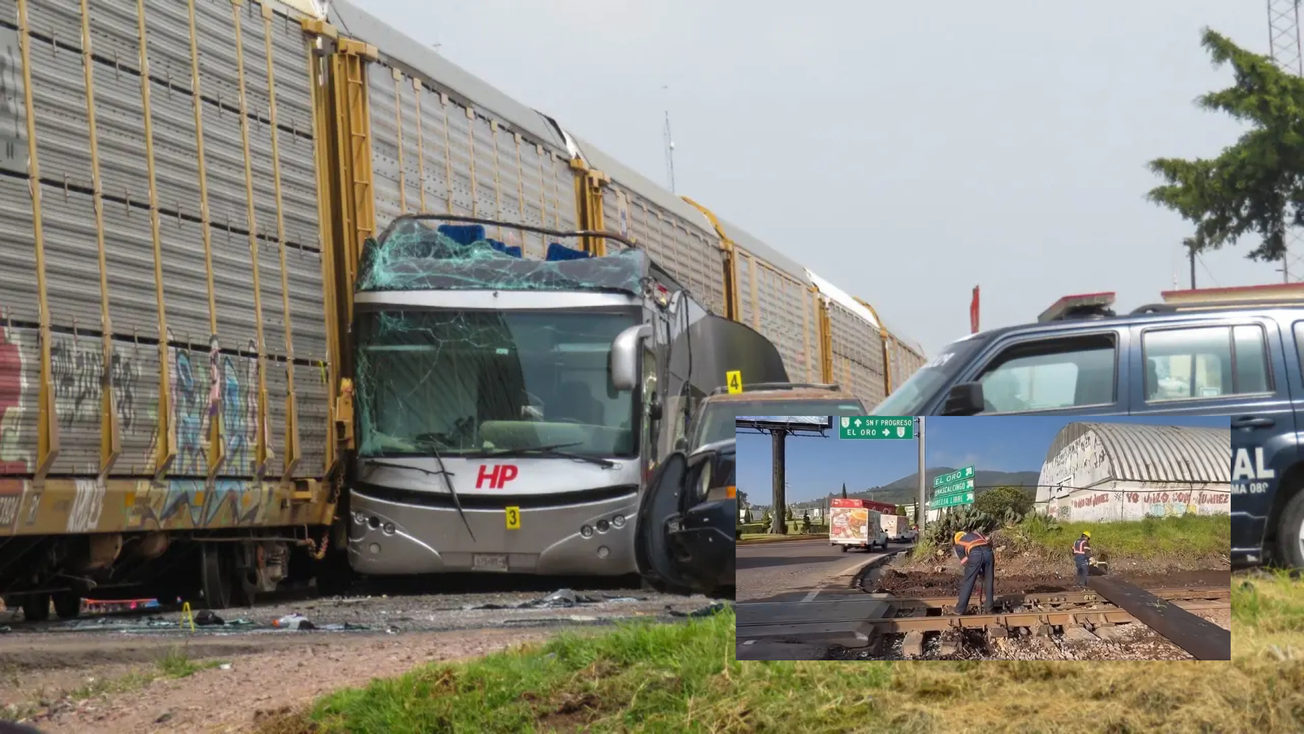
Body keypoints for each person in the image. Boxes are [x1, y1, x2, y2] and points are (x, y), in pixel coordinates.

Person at [953, 530, 994, 615]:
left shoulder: (958, 544)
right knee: (988, 580)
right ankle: (989, 608)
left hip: (975, 554)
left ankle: (959, 609)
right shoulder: (977, 534)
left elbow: (966, 563)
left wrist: (976, 571)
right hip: (989, 554)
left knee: (968, 581)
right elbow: (989, 543)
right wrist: (982, 572)